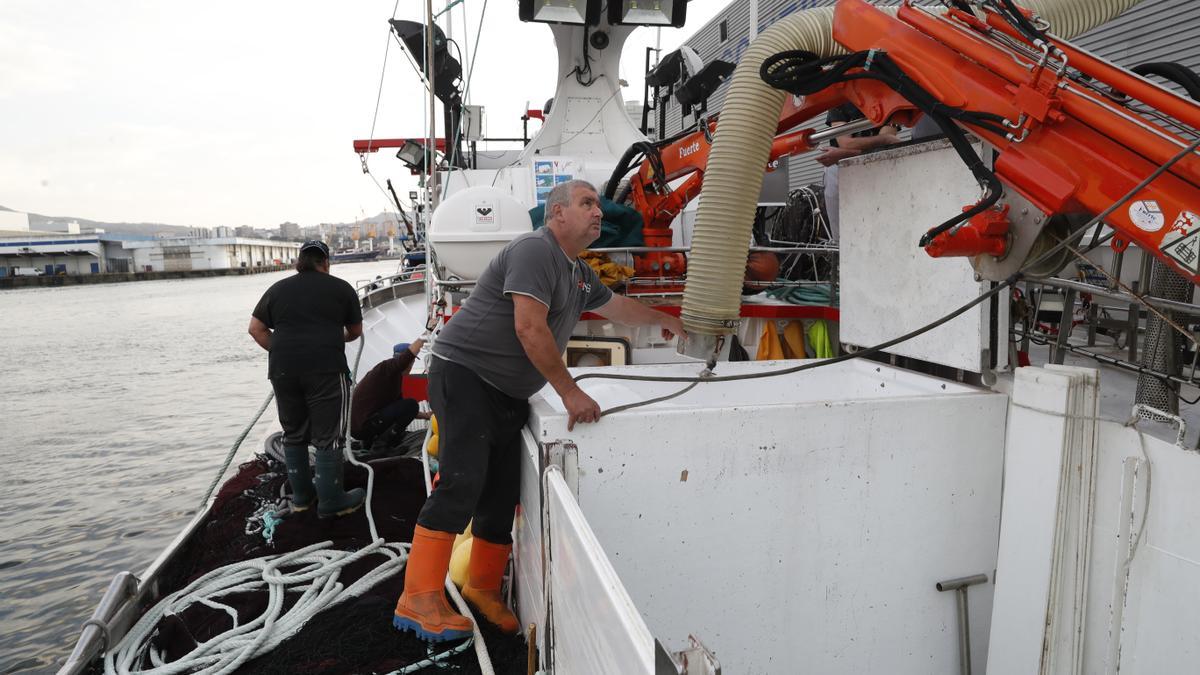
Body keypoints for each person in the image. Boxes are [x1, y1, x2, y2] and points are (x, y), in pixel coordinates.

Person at [392, 179, 687, 642]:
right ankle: (419, 597)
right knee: (462, 482)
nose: (598, 213)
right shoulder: (534, 250)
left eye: (597, 205)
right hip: (465, 374)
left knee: (501, 491)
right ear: (557, 215)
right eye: (587, 203)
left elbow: (620, 307)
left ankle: (482, 589)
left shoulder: (578, 272)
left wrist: (665, 318)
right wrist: (570, 393)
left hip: (507, 391)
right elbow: (529, 329)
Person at [248, 240, 366, 519]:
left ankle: (301, 498)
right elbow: (355, 331)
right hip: (325, 370)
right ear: (325, 263)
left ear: (298, 262)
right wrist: (332, 339)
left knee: (293, 434)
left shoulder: (277, 289)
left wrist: (282, 350)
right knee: (328, 436)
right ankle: (332, 500)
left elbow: (256, 329)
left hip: (283, 370)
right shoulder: (341, 288)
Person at [816, 103, 901, 239]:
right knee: (841, 234)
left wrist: (844, 153)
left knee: (879, 225)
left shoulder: (886, 100)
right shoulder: (840, 102)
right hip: (841, 171)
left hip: (876, 170)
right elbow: (846, 142)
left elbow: (886, 145)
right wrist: (883, 139)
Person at [351, 339, 431, 451]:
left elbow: (402, 410)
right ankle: (382, 445)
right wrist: (423, 338)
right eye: (411, 362)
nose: (411, 366)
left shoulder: (393, 378)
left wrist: (427, 416)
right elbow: (404, 360)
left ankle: (369, 444)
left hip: (359, 426)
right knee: (412, 404)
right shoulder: (386, 368)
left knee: (407, 407)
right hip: (363, 426)